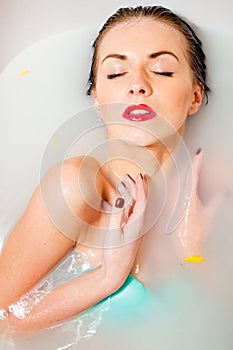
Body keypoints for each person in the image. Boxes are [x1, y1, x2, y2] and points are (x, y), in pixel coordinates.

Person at [0, 5, 211, 334]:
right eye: (116, 73)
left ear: (195, 97)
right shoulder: (75, 188)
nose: (137, 85)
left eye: (162, 70)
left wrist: (192, 253)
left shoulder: (215, 187)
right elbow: (3, 321)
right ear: (97, 99)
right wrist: (107, 277)